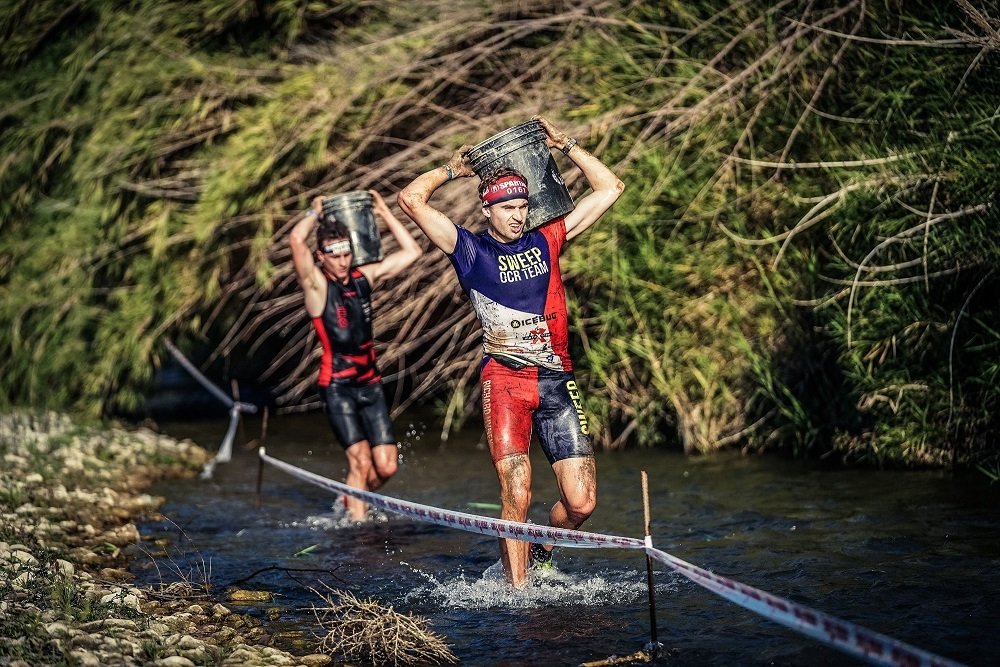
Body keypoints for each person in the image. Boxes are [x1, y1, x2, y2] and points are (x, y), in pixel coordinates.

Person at [397, 115, 624, 587]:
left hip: (557, 382)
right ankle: (518, 596)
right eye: (508, 208)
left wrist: (568, 146)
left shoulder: (548, 238)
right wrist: (451, 169)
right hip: (505, 382)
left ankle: (539, 551)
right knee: (517, 492)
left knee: (582, 503)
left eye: (524, 205)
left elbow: (610, 188)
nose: (519, 215)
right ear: (488, 210)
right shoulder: (468, 250)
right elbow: (410, 199)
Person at [288, 190, 423, 521]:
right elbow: (295, 240)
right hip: (338, 387)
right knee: (360, 462)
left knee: (386, 466)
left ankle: (351, 498)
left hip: (370, 384)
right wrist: (313, 212)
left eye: (346, 252)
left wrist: (383, 211)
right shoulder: (317, 286)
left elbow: (412, 252)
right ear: (321, 256)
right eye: (333, 254)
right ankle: (359, 534)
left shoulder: (365, 278)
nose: (342, 260)